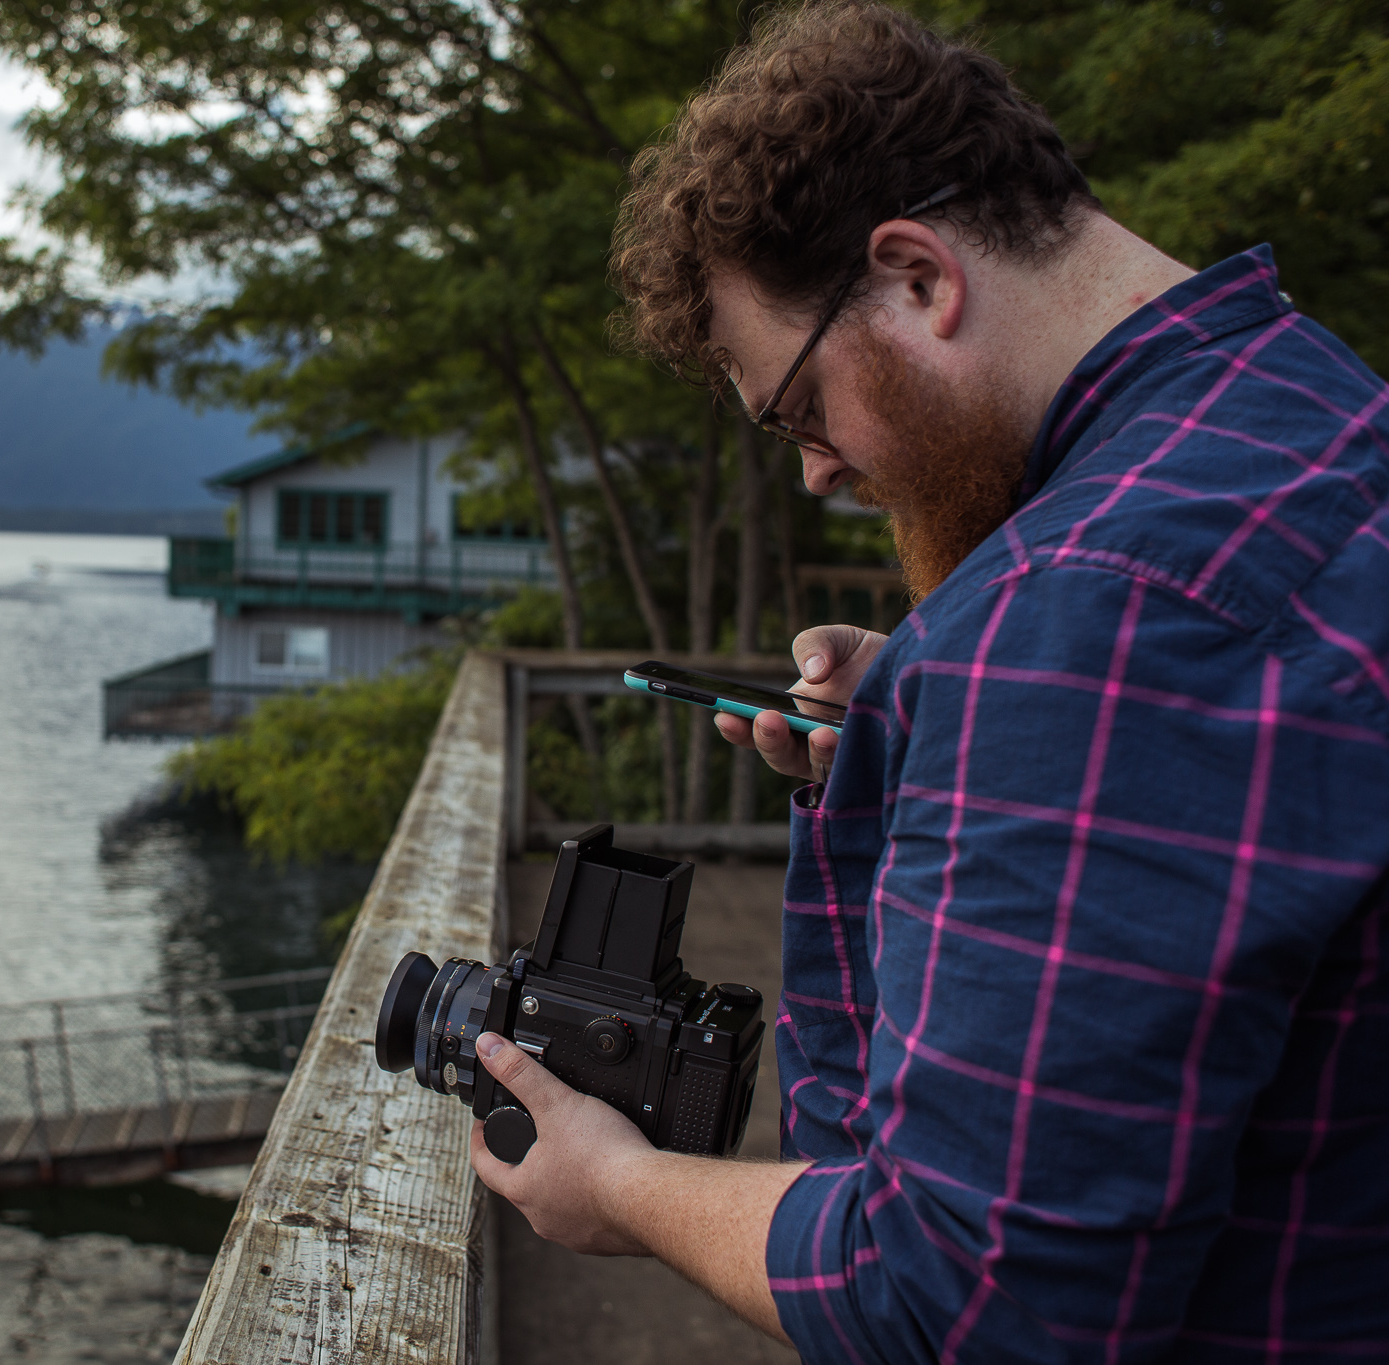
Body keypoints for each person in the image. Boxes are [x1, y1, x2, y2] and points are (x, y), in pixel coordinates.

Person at [465, 2, 1389, 1360]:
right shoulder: (1321, 415)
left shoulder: (1089, 613)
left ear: (914, 278)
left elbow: (961, 1303)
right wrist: (935, 711)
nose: (818, 469)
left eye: (798, 407)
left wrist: (618, 1184)